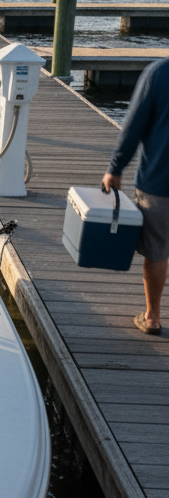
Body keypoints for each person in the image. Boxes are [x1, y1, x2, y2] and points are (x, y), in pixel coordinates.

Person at [102, 56, 169, 336]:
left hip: (159, 183)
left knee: (156, 252)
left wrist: (115, 168)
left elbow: (133, 127)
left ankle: (152, 317)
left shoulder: (157, 74)